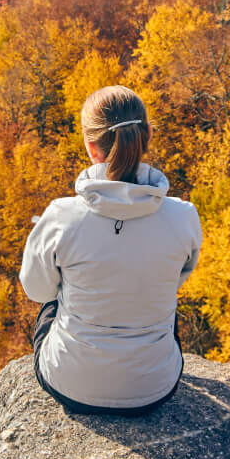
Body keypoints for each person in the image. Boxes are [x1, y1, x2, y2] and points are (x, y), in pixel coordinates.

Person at [20, 85, 202, 415]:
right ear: (148, 134)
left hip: (70, 384)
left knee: (51, 303)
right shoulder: (184, 216)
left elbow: (36, 290)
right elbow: (177, 278)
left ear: (92, 148)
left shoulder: (61, 216)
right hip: (155, 388)